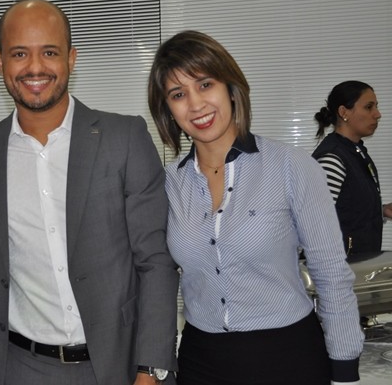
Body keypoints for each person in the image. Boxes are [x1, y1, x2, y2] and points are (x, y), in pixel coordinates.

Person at [0, 0, 179, 385]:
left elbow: (156, 260)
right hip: (21, 367)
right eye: (19, 54)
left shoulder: (124, 138)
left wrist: (151, 370)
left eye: (50, 52)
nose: (35, 67)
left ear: (71, 58)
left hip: (120, 364)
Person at [147, 30, 364, 385]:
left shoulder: (291, 166)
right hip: (201, 361)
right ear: (167, 110)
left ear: (231, 88)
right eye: (178, 94)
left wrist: (344, 370)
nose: (196, 104)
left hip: (288, 357)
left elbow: (331, 274)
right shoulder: (168, 184)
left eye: (205, 84)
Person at [313, 80, 392, 258]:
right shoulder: (332, 159)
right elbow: (314, 223)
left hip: (358, 265)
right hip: (340, 268)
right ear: (344, 112)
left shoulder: (355, 152)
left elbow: (346, 207)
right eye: (369, 107)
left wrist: (380, 210)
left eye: (376, 106)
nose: (377, 114)